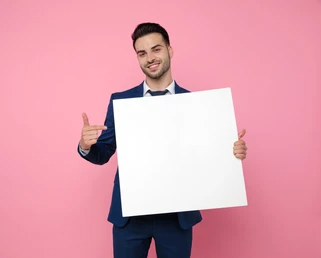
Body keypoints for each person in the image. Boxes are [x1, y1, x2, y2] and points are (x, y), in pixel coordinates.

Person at [77, 22, 247, 258]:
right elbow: (103, 152)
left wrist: (232, 152)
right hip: (130, 217)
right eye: (142, 53)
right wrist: (86, 146)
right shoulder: (121, 101)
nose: (150, 58)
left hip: (176, 218)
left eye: (156, 49)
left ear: (169, 50)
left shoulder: (195, 103)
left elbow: (208, 155)